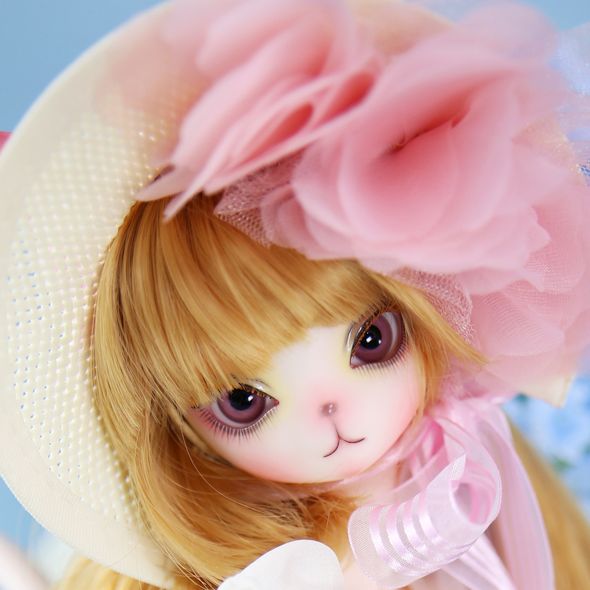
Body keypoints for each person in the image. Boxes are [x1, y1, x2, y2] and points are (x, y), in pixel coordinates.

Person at [1, 0, 589, 589]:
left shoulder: (468, 463)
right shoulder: (279, 567)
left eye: (372, 341)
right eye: (242, 402)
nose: (331, 415)